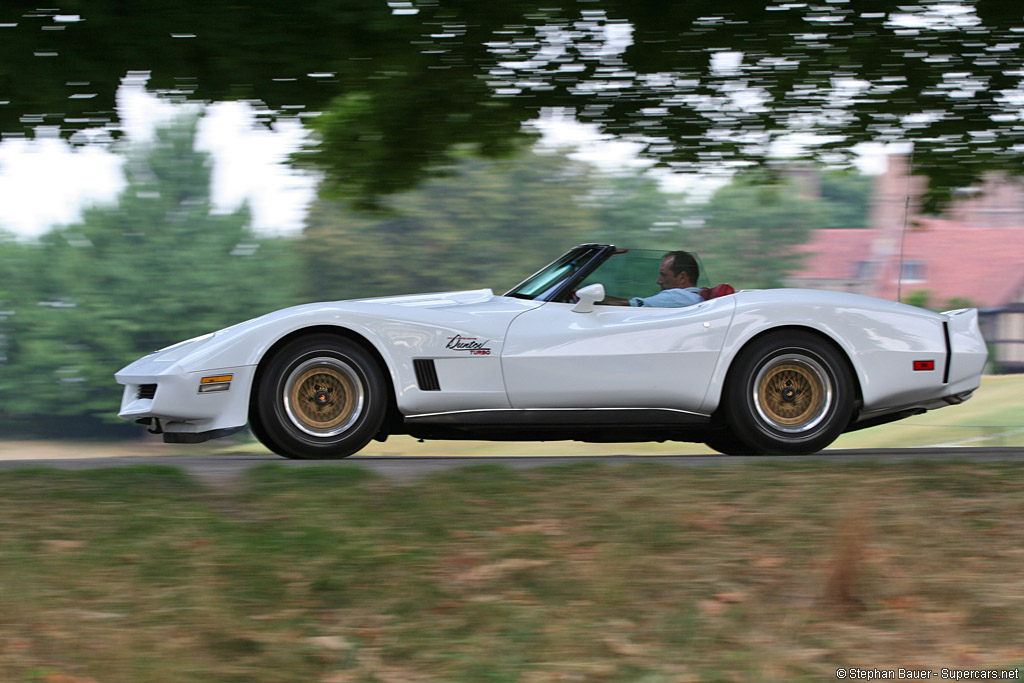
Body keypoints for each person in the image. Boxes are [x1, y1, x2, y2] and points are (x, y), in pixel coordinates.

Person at [601, 251, 704, 307]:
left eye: (664, 275)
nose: (658, 281)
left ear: (682, 277)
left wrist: (591, 299)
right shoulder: (697, 298)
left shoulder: (678, 296)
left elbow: (625, 305)